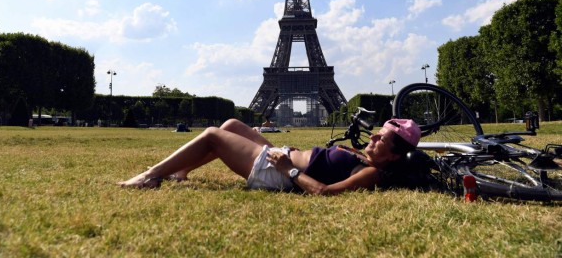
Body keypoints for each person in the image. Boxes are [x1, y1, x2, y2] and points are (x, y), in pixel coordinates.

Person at [117, 118, 421, 195]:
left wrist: (289, 169)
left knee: (212, 134)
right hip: (285, 156)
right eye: (378, 132)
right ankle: (181, 172)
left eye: (383, 139)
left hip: (277, 171)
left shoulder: (372, 174)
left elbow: (325, 192)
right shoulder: (366, 157)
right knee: (231, 126)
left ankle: (150, 176)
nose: (375, 137)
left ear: (394, 157)